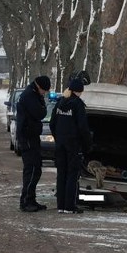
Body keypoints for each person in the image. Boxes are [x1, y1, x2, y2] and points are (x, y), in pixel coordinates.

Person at [49, 78, 92, 214]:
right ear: (79, 91)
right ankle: (69, 206)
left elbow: (52, 123)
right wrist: (87, 145)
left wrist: (58, 138)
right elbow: (82, 127)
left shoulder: (60, 103)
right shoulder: (78, 104)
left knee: (61, 174)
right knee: (72, 175)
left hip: (60, 145)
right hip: (73, 145)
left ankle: (60, 205)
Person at [17, 75, 51, 212]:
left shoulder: (32, 94)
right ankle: (26, 201)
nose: (44, 93)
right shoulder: (30, 96)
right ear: (39, 86)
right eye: (44, 91)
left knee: (36, 169)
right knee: (31, 170)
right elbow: (41, 113)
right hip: (28, 137)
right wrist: (42, 103)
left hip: (31, 136)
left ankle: (30, 198)